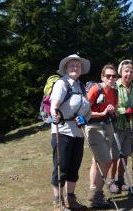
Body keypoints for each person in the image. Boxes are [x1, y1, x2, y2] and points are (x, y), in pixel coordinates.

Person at [50, 54, 91, 210]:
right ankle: (58, 202)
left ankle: (70, 199)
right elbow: (55, 103)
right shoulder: (62, 84)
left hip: (78, 132)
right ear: (66, 68)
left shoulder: (81, 86)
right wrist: (55, 114)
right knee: (61, 167)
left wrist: (85, 118)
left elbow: (88, 109)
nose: (75, 68)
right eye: (72, 65)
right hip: (62, 130)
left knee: (74, 167)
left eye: (78, 66)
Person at [85, 64, 118, 208]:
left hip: (107, 126)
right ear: (102, 77)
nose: (111, 78)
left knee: (97, 161)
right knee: (106, 161)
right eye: (108, 76)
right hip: (93, 127)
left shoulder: (114, 92)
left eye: (114, 76)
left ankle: (94, 191)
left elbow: (114, 110)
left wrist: (111, 111)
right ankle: (96, 194)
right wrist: (102, 113)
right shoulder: (95, 89)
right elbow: (83, 111)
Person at [108, 60, 133, 192]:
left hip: (131, 126)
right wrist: (124, 111)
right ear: (121, 72)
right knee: (115, 155)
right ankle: (111, 182)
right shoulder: (115, 86)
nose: (128, 73)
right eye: (126, 71)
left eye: (131, 71)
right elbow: (112, 107)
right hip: (117, 126)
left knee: (126, 154)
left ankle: (120, 180)